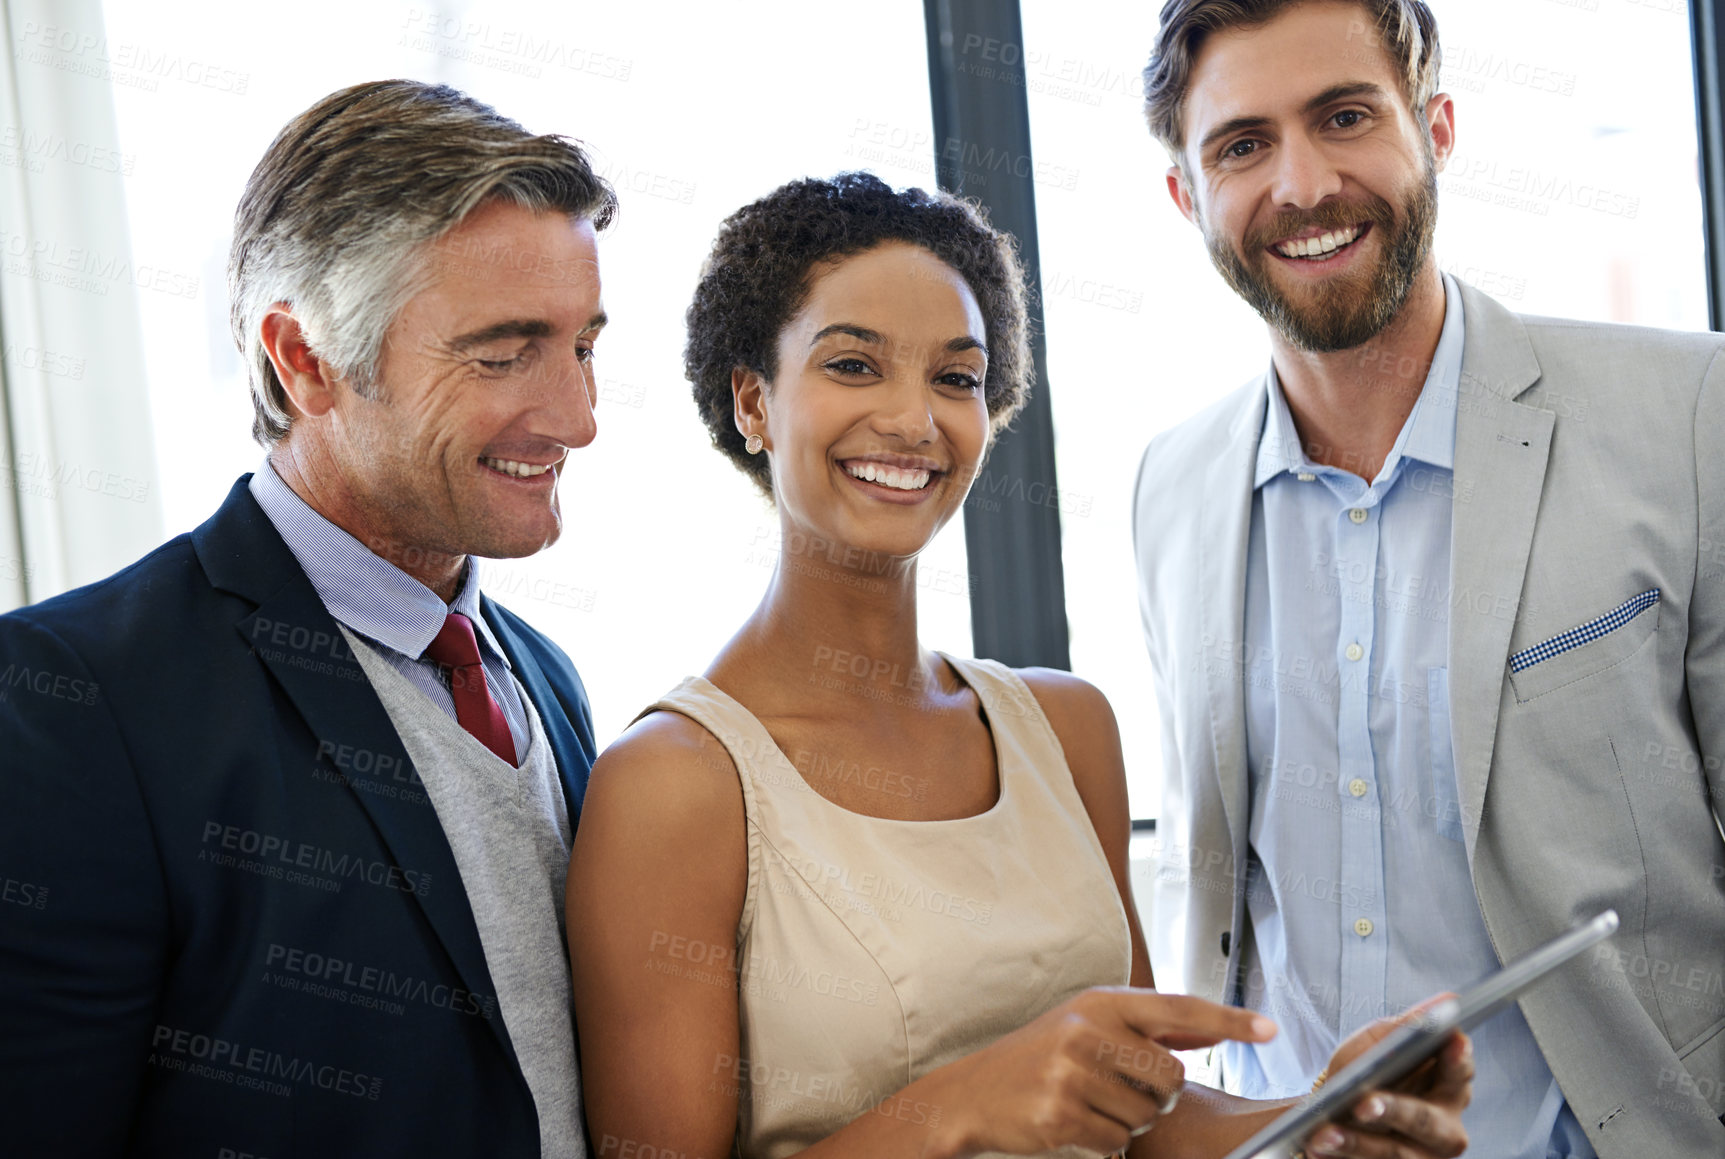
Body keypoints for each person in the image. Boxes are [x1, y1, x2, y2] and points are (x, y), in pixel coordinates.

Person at [568, 171, 1471, 1159]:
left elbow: (1141, 1116)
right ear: (753, 399)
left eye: (955, 377)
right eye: (855, 366)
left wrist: (1310, 1126)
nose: (914, 419)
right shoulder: (675, 784)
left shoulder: (1064, 728)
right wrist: (958, 1106)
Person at [1131, 1, 1725, 1155]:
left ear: (1437, 128)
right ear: (1186, 194)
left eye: (1345, 116)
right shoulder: (1172, 486)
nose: (1302, 186)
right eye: (1241, 146)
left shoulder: (1689, 416)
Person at [0, 80, 614, 1157]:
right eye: (503, 351)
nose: (577, 416)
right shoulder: (73, 703)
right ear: (304, 358)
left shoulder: (545, 680)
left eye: (583, 345)